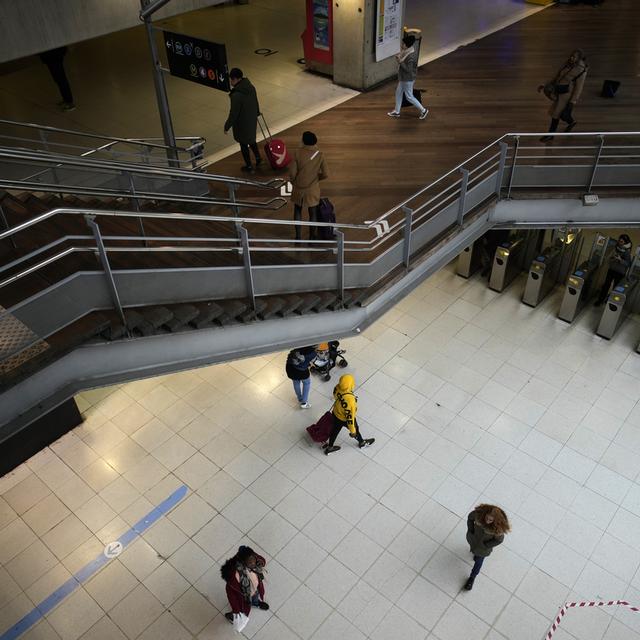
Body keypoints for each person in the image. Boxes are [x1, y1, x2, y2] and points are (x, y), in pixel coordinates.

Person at [538, 49, 588, 142]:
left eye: (574, 57)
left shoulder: (581, 70)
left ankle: (550, 135)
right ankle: (571, 122)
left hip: (566, 96)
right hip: (559, 91)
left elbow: (578, 88)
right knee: (560, 114)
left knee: (555, 114)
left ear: (579, 59)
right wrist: (546, 85)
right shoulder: (568, 64)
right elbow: (557, 76)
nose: (571, 58)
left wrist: (572, 102)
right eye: (571, 56)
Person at [289, 131, 328, 241]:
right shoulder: (320, 154)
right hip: (312, 189)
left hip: (299, 187)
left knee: (297, 210)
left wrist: (294, 182)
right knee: (313, 212)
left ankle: (298, 237)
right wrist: (316, 178)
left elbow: (292, 173)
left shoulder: (297, 153)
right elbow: (326, 174)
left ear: (303, 141)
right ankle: (312, 236)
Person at [323, 374, 375, 455]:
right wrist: (353, 431)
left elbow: (335, 396)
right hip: (344, 419)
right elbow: (350, 418)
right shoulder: (350, 400)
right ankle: (362, 443)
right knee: (356, 429)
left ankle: (330, 447)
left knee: (335, 431)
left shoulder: (337, 387)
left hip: (336, 413)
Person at [221, 546, 269, 631]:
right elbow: (232, 596)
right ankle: (233, 616)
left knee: (255, 597)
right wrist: (236, 609)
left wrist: (259, 562)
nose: (253, 563)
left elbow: (262, 560)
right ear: (243, 563)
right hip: (243, 597)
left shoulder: (253, 560)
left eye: (253, 559)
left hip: (254, 590)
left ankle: (256, 603)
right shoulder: (235, 577)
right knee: (241, 611)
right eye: (250, 563)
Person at [464, 504, 510, 590]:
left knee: (479, 562)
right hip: (473, 540)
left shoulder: (498, 529)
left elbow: (499, 540)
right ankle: (475, 553)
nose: (487, 521)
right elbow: (470, 518)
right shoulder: (478, 515)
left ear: (495, 520)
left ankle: (472, 577)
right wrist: (471, 530)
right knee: (475, 552)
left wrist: (486, 545)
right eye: (487, 518)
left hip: (483, 549)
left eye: (490, 520)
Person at [224, 68, 262, 172]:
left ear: (235, 79)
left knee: (243, 143)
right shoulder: (251, 87)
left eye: (231, 80)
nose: (231, 82)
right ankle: (258, 158)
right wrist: (257, 113)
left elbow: (234, 113)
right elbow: (256, 101)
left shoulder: (237, 95)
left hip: (242, 123)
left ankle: (249, 165)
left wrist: (227, 126)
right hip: (251, 119)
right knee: (251, 139)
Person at [387, 34, 428, 120]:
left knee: (409, 96)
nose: (401, 45)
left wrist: (400, 61)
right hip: (404, 78)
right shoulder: (407, 52)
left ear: (406, 45)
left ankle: (423, 110)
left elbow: (408, 70)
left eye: (403, 44)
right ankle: (397, 111)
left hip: (407, 79)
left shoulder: (410, 56)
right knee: (398, 93)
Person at [594, 234, 633, 306]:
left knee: (616, 288)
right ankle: (600, 300)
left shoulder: (627, 252)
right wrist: (612, 258)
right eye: (619, 240)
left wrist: (620, 260)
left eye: (621, 241)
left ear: (625, 242)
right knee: (606, 285)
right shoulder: (616, 248)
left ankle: (611, 301)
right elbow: (610, 258)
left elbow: (628, 264)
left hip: (620, 273)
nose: (620, 242)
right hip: (612, 269)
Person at [39, 47, 75, 112]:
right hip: (53, 56)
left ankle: (69, 102)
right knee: (58, 79)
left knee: (61, 79)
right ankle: (66, 99)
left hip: (53, 56)